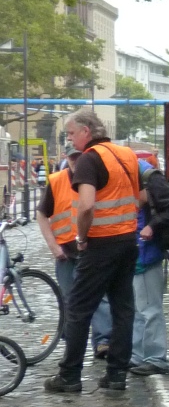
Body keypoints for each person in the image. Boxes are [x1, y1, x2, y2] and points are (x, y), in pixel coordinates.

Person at [43, 110, 141, 394]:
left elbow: (86, 205)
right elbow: (140, 197)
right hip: (127, 242)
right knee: (123, 309)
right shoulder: (127, 155)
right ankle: (116, 375)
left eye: (71, 133)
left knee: (78, 308)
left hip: (100, 244)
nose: (70, 139)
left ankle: (69, 375)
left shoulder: (89, 159)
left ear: (86, 131)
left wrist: (81, 237)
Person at [37, 145, 113, 359]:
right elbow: (41, 215)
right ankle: (72, 343)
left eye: (80, 157)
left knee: (100, 297)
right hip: (66, 254)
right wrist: (54, 247)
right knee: (70, 300)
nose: (77, 162)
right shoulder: (57, 181)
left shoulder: (96, 177)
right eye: (73, 158)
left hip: (92, 250)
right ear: (66, 158)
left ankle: (103, 341)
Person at [128, 157, 169, 376]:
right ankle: (139, 355)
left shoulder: (148, 177)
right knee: (139, 308)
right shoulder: (138, 174)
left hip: (146, 253)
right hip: (137, 253)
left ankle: (155, 358)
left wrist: (152, 226)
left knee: (149, 308)